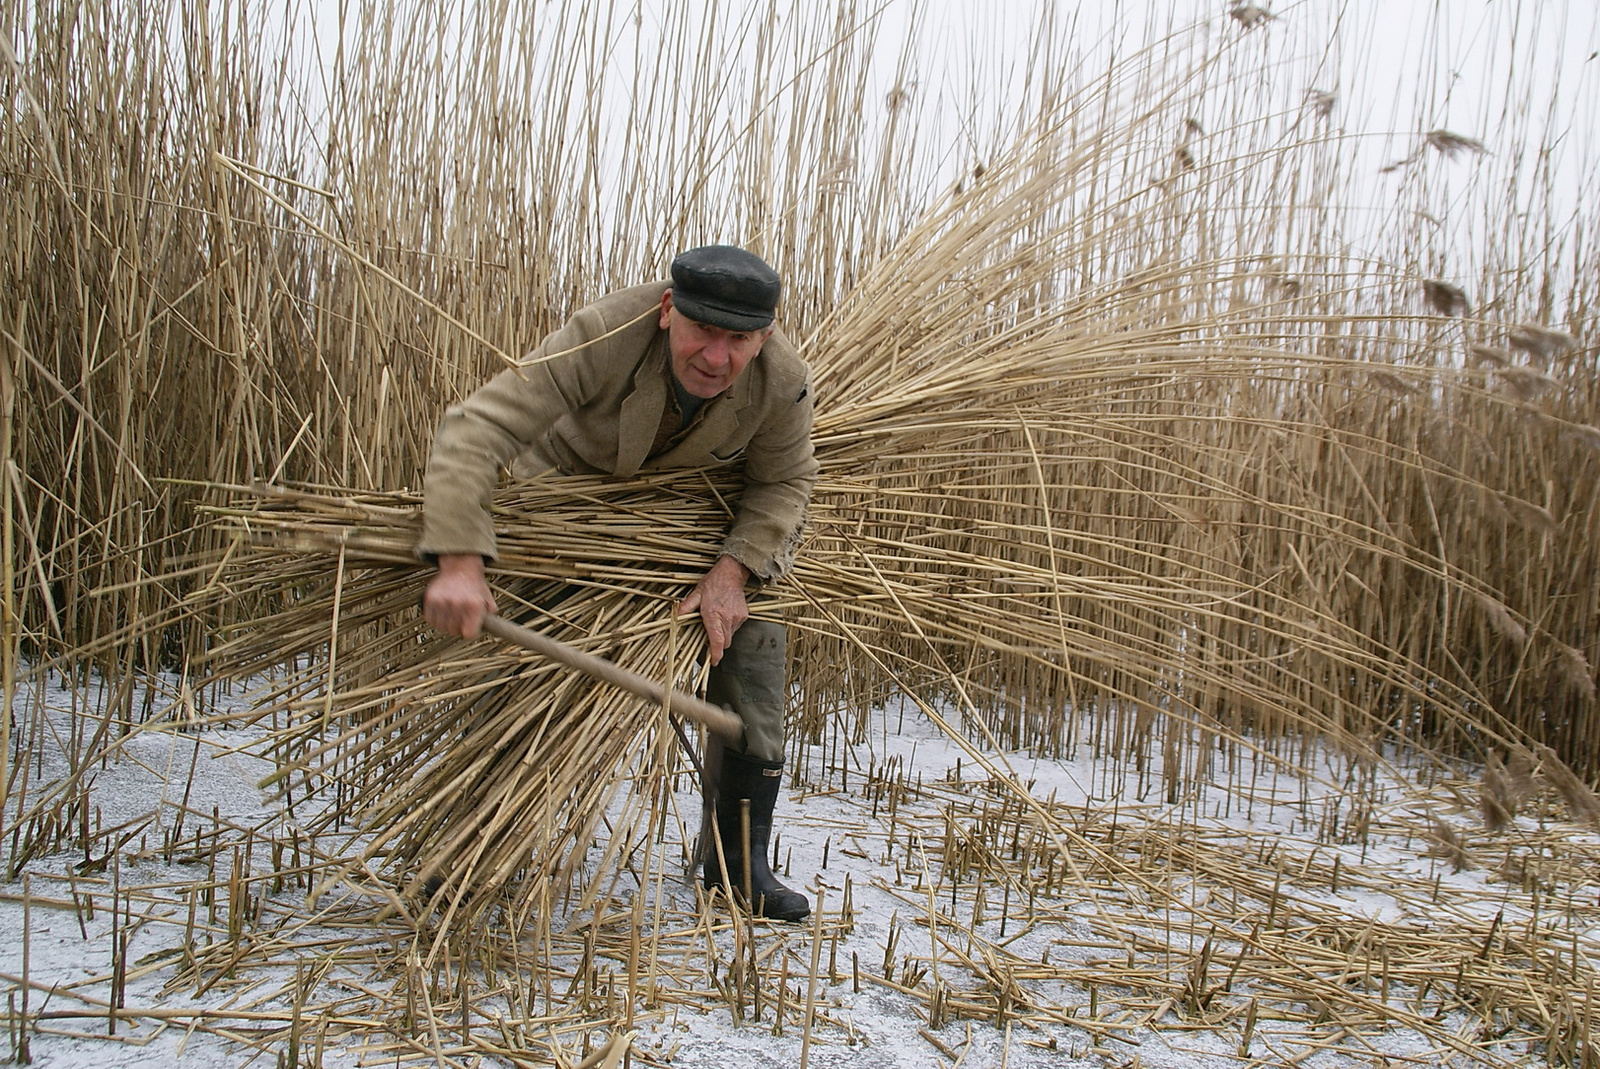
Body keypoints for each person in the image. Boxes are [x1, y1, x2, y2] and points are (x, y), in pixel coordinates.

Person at [417, 245, 817, 921]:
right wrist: (459, 557)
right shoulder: (606, 333)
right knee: (524, 665)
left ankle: (735, 862)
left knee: (755, 635)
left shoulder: (781, 379)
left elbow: (784, 482)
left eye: (738, 340)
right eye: (702, 332)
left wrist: (731, 572)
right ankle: (477, 847)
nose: (717, 358)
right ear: (668, 312)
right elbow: (476, 425)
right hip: (572, 508)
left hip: (691, 525)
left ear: (765, 336)